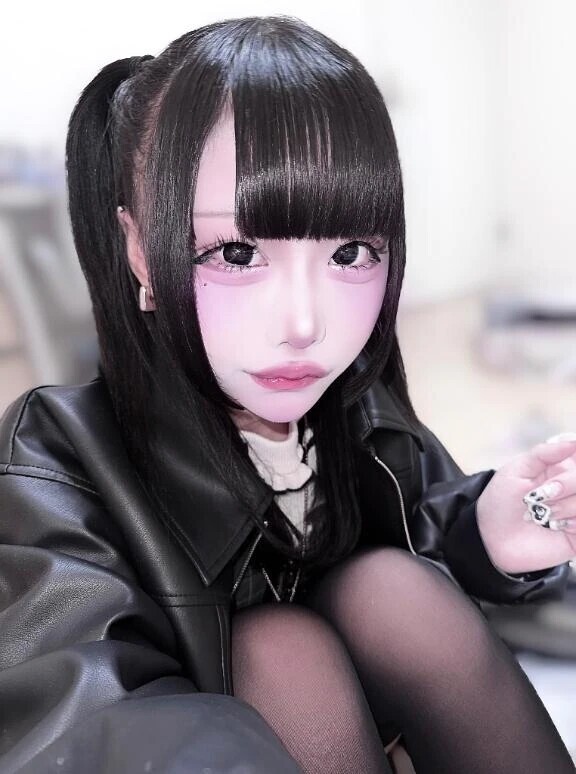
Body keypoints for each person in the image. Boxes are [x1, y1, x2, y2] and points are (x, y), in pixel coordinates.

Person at [1, 15, 575, 774]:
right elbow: (81, 716)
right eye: (237, 253)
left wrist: (485, 534)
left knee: (388, 588)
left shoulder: (359, 409)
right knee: (279, 646)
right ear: (139, 249)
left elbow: (418, 535)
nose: (307, 325)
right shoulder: (58, 454)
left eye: (351, 252)